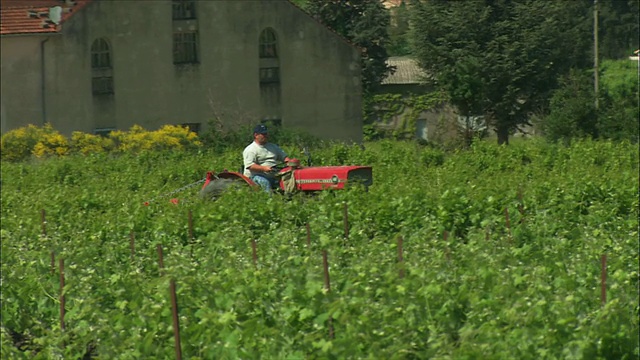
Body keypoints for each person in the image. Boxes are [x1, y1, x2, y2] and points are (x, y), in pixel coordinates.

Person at [243, 124, 289, 192]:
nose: (266, 136)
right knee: (265, 182)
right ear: (256, 135)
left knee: (289, 179)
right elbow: (250, 166)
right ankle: (269, 200)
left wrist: (290, 162)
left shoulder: (273, 147)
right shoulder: (250, 149)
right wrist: (264, 168)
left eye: (266, 133)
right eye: (263, 134)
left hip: (274, 174)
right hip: (255, 176)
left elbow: (284, 157)